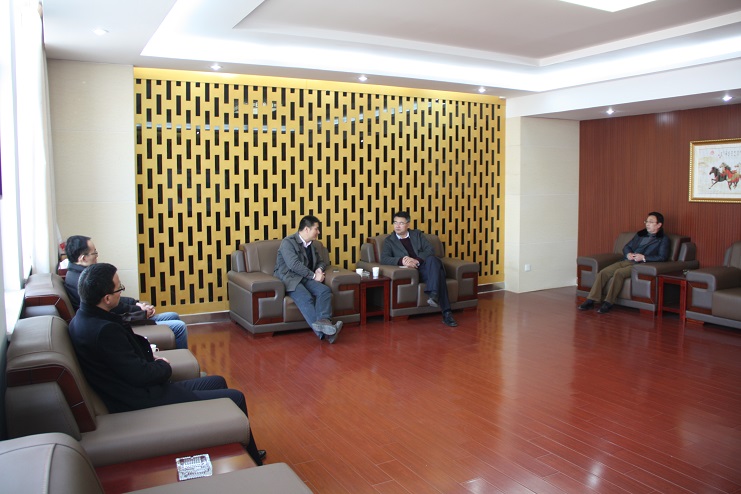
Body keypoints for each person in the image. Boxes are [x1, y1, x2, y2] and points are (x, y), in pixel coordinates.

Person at [68, 263, 265, 465]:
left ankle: (235, 444)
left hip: (140, 389)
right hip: (142, 398)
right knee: (236, 397)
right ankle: (253, 460)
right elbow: (140, 375)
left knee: (218, 382)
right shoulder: (104, 331)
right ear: (107, 298)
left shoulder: (82, 319)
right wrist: (163, 365)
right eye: (119, 288)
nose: (121, 292)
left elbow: (125, 364)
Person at [64, 235, 188, 349]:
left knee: (173, 315)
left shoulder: (77, 275)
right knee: (179, 327)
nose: (97, 256)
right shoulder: (84, 281)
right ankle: (182, 363)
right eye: (94, 253)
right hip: (119, 321)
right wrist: (140, 311)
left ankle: (178, 354)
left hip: (118, 317)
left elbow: (112, 299)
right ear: (83, 258)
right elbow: (113, 307)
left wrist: (136, 304)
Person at [578, 211, 670, 314]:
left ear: (659, 225)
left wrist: (644, 257)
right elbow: (627, 246)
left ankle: (608, 302)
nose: (647, 224)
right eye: (646, 221)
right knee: (603, 272)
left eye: (651, 222)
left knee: (619, 273)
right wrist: (628, 254)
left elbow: (662, 257)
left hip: (639, 265)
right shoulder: (640, 234)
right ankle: (591, 300)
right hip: (626, 260)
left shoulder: (663, 239)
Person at [381, 211, 458, 327]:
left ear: (408, 224)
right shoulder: (389, 240)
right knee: (439, 274)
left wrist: (416, 260)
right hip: (413, 272)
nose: (397, 226)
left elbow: (430, 250)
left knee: (433, 260)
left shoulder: (417, 235)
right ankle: (446, 312)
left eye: (401, 223)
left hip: (427, 268)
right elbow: (384, 259)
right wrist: (402, 260)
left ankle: (435, 294)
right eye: (395, 222)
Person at [274, 215, 343, 343]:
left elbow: (321, 261)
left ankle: (324, 322)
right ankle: (326, 334)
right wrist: (314, 276)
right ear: (306, 229)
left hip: (305, 277)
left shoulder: (311, 245)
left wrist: (319, 270)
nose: (318, 232)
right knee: (306, 297)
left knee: (324, 291)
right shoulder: (288, 243)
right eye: (316, 229)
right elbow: (294, 265)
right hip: (290, 278)